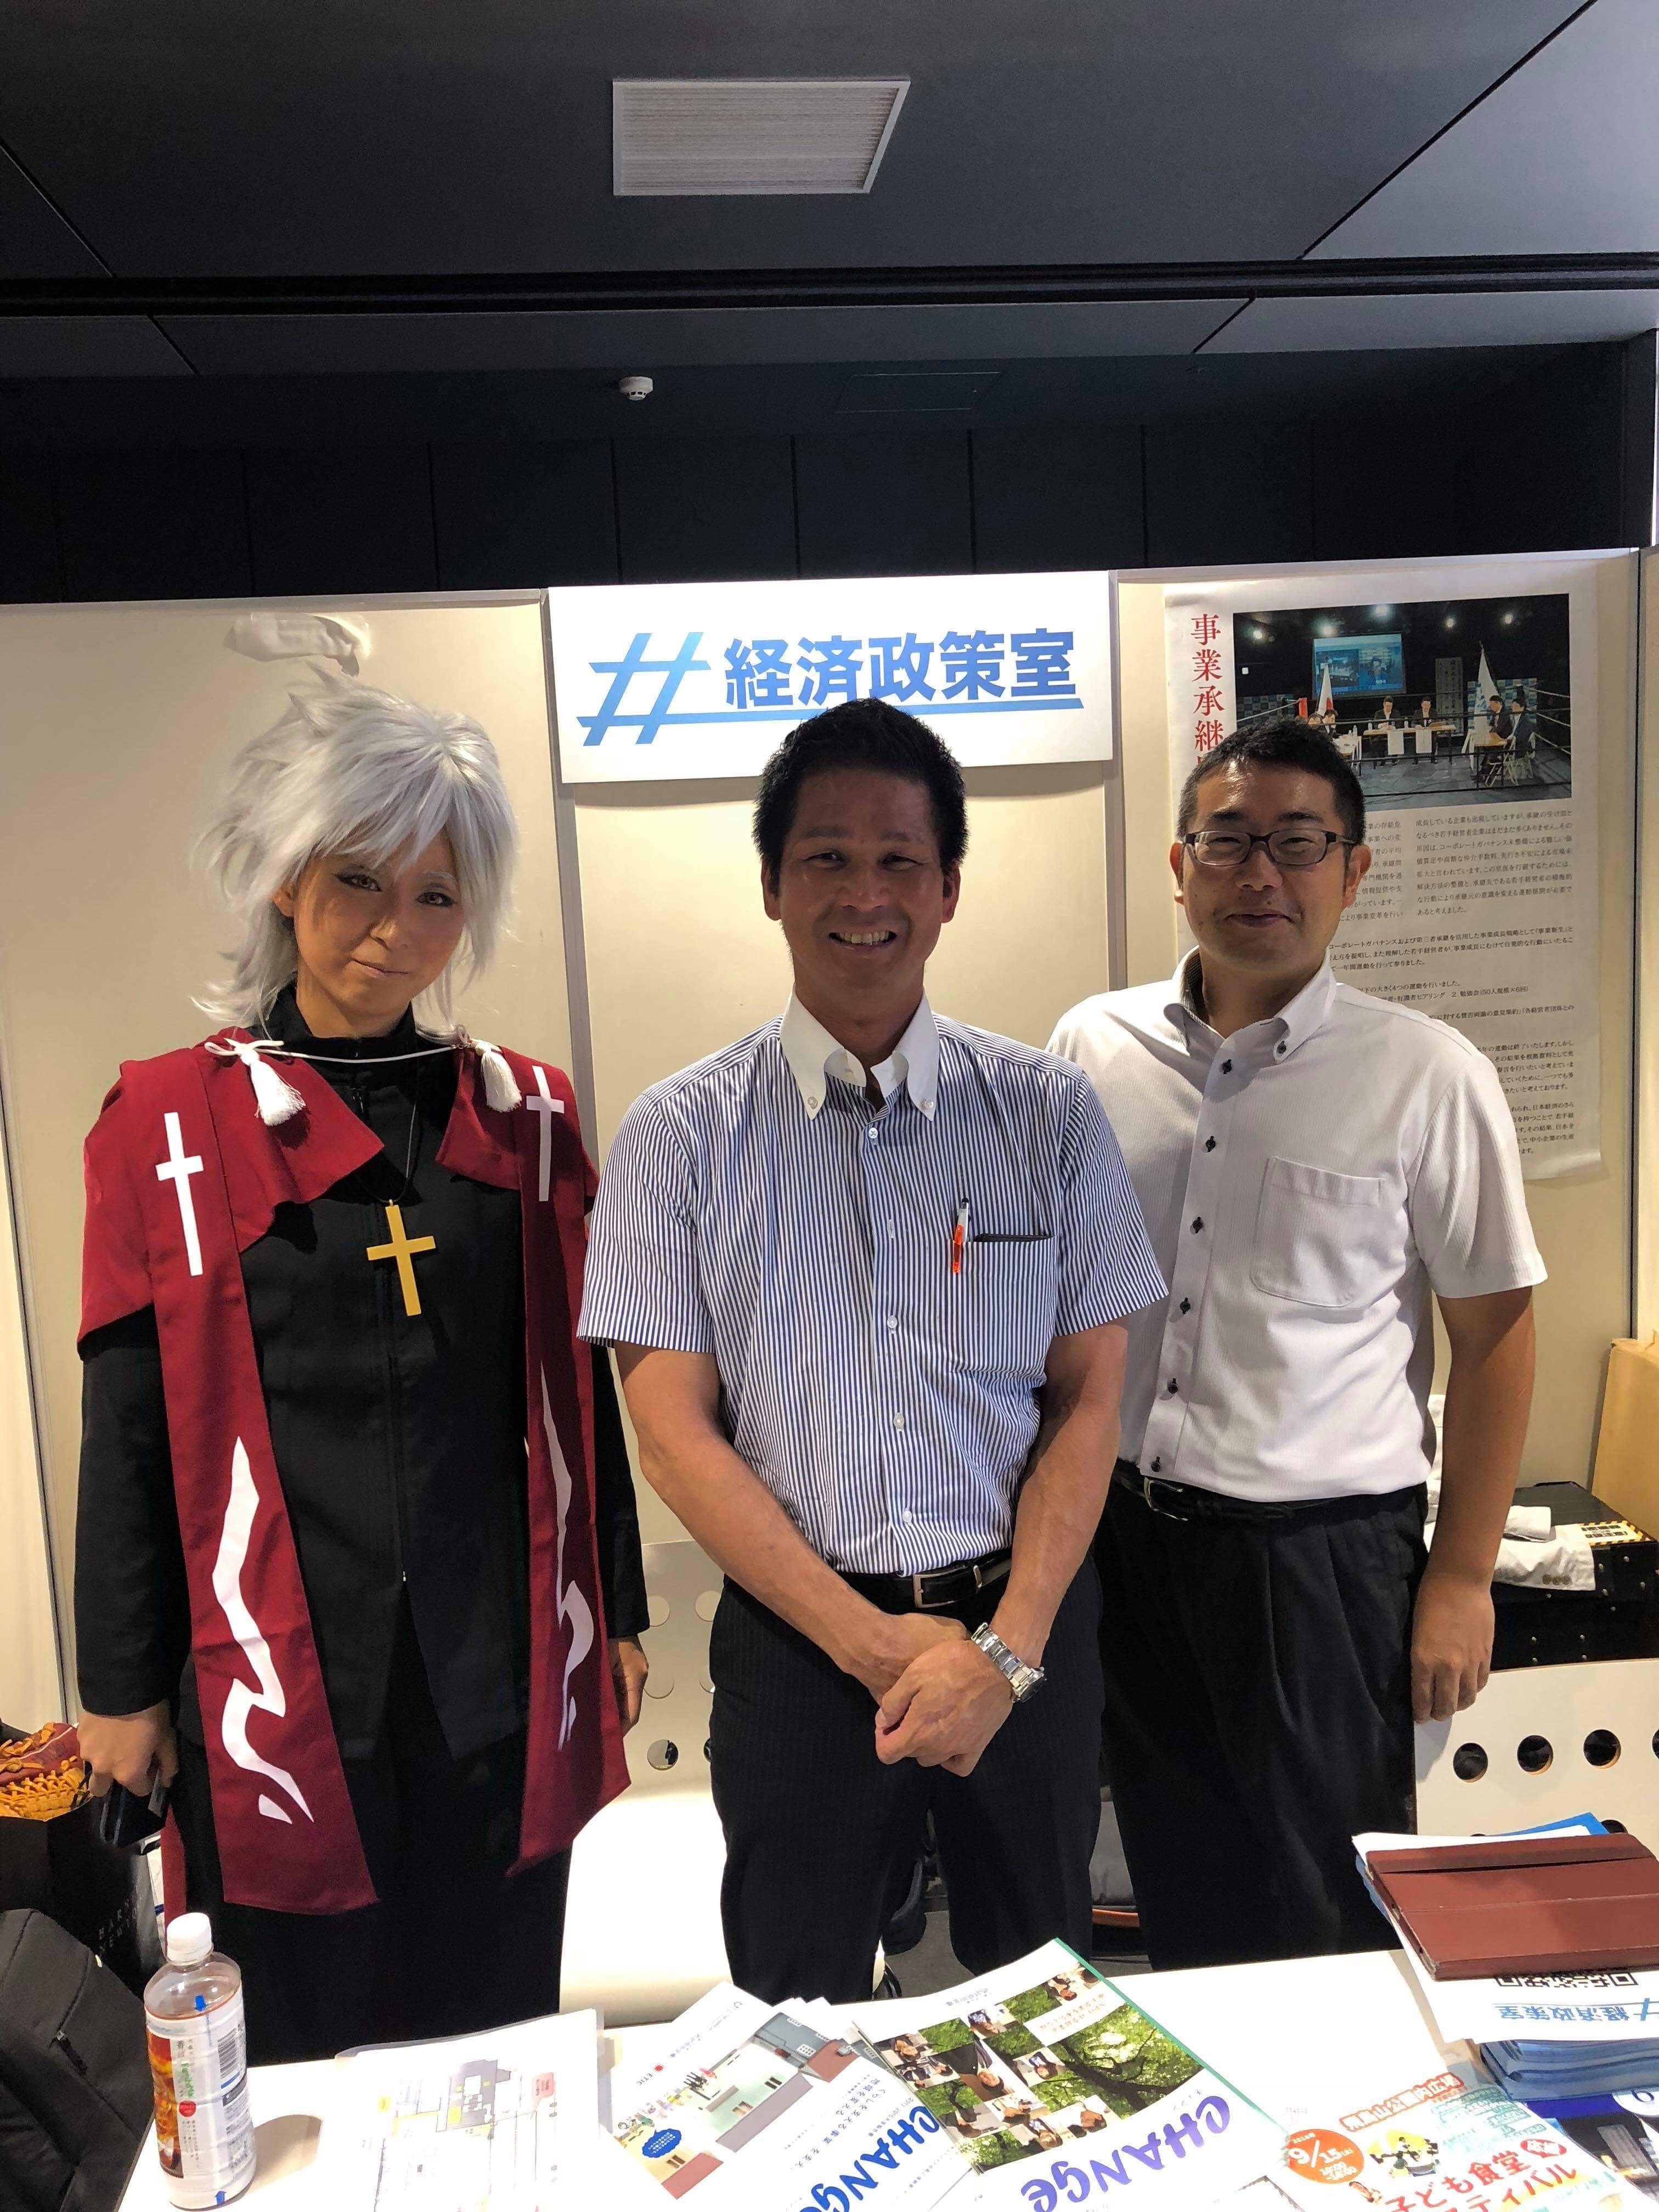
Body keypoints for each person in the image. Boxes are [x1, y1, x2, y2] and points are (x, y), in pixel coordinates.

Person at [75, 680, 646, 2061]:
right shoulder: (171, 1120)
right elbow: (130, 1422)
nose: (396, 929)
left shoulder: (523, 1114)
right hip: (270, 1674)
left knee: (492, 2032)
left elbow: (577, 1393)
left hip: (492, 1665)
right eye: (358, 881)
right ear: (286, 879)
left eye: (438, 895)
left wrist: (617, 1606)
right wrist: (120, 1686)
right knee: (297, 2049)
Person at [580, 697, 1164, 2003]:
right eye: (826, 858)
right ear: (773, 886)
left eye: (901, 858)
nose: (865, 894)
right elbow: (671, 1436)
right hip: (800, 1651)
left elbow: (1088, 1402)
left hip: (1023, 1634)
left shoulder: (1047, 1114)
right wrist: (871, 1646)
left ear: (949, 888)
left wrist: (1001, 1654)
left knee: (1045, 2006)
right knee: (795, 2014)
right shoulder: (677, 1135)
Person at [1048, 720, 1542, 1971]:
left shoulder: (1427, 1075)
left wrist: (1462, 1577)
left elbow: (1494, 1336)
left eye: (1299, 843)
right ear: (1180, 864)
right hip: (1128, 1540)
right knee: (1175, 1883)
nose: (1259, 873)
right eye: (1228, 841)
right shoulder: (1091, 1048)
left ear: (1352, 870)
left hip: (1323, 1566)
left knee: (1331, 1912)